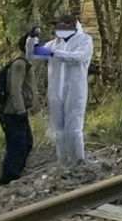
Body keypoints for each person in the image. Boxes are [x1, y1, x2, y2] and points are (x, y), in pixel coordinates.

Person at [29, 14, 94, 166]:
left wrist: (53, 53)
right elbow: (31, 55)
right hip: (55, 91)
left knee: (74, 128)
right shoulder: (53, 44)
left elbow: (78, 57)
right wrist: (31, 40)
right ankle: (63, 161)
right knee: (59, 129)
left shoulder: (84, 40)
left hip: (75, 90)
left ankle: (79, 161)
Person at [0, 32, 37, 184]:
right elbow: (15, 90)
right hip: (13, 112)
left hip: (19, 111)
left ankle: (16, 173)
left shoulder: (26, 63)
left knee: (26, 143)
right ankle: (8, 178)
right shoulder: (20, 64)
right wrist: (20, 111)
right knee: (17, 145)